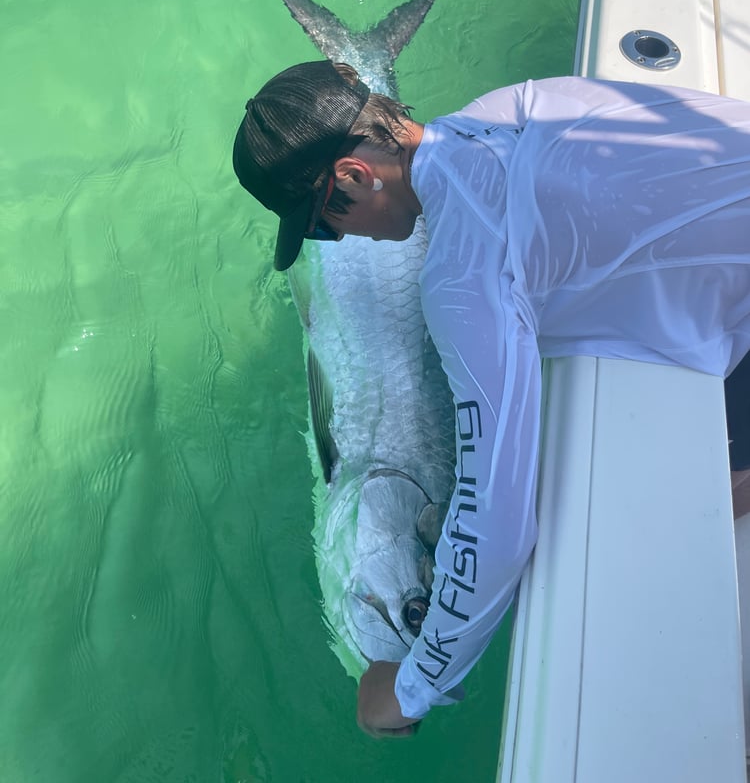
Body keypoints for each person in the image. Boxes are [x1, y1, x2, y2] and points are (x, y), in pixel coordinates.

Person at [232, 59, 750, 738]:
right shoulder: (510, 105)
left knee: (684, 517)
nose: (336, 241)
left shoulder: (462, 278)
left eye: (322, 228)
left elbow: (497, 530)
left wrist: (412, 691)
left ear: (355, 178)